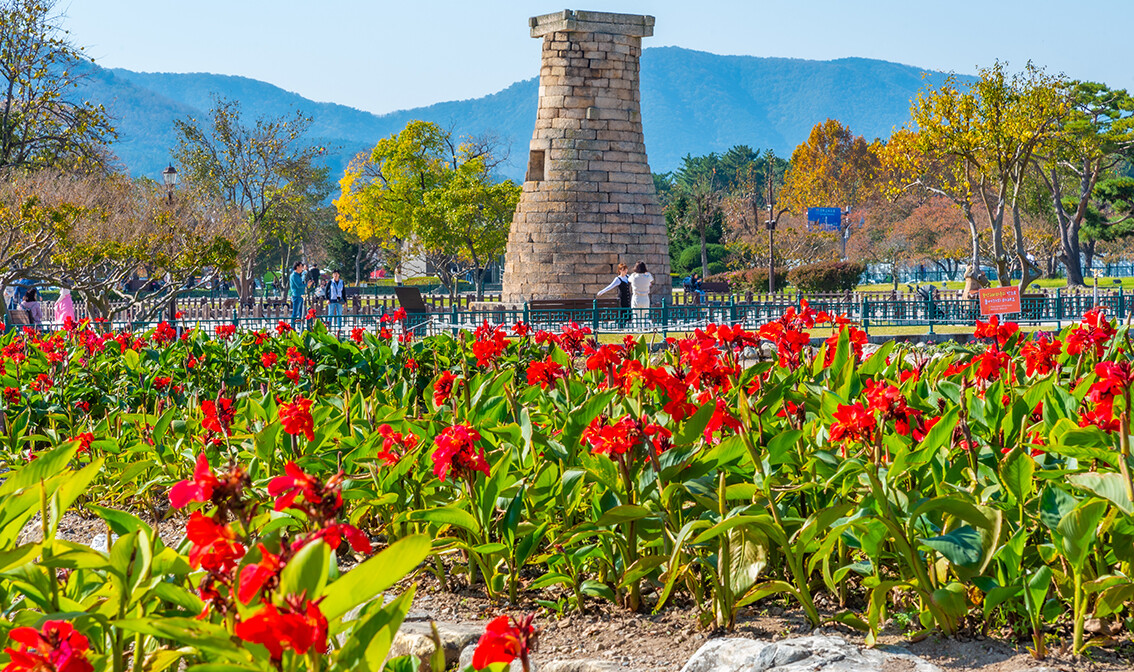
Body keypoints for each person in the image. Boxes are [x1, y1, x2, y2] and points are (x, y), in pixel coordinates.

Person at [289, 262, 309, 329]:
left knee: (301, 313)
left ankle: (300, 327)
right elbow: (298, 285)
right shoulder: (294, 275)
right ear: (297, 267)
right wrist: (306, 285)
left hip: (301, 295)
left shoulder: (298, 275)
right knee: (295, 313)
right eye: (301, 266)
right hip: (296, 296)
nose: (302, 268)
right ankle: (292, 328)